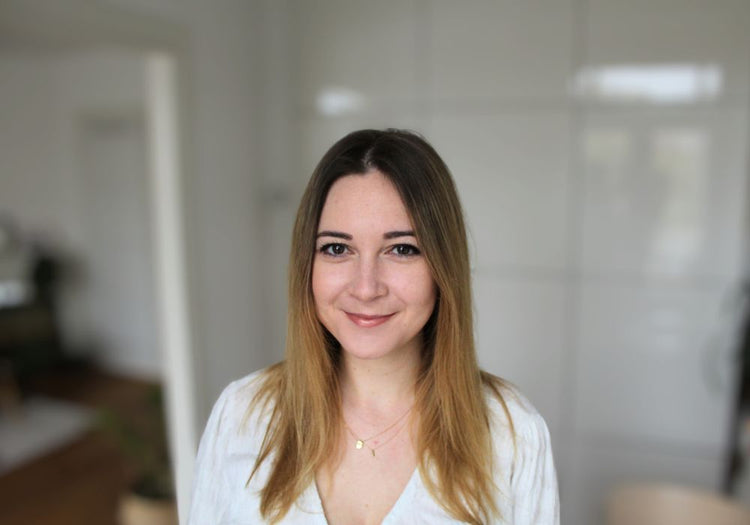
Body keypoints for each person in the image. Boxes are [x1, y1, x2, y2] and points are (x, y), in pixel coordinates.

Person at [188, 129, 559, 524]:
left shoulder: (513, 434)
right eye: (337, 248)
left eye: (401, 249)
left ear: (443, 267)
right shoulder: (242, 415)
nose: (366, 288)